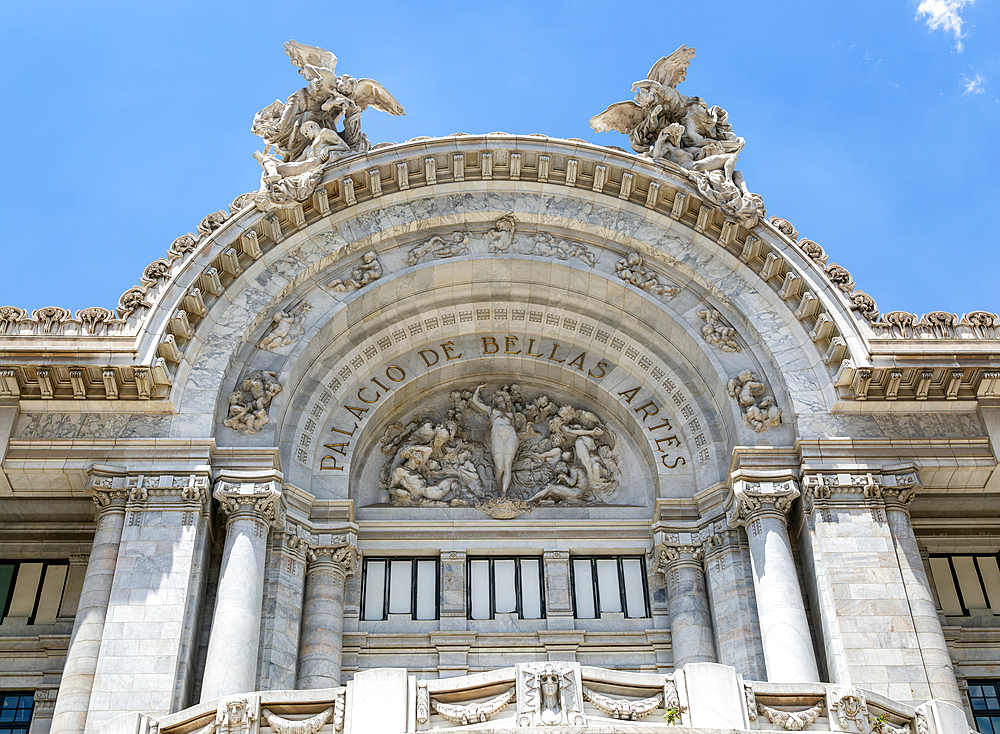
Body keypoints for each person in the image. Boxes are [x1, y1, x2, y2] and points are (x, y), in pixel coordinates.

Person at [469, 384, 519, 496]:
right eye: (495, 396)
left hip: (510, 434)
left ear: (505, 397)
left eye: (499, 395)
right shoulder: (491, 409)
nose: (496, 397)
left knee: (507, 466)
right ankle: (500, 488)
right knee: (499, 467)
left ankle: (504, 493)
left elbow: (517, 426)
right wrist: (477, 389)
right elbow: (475, 402)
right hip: (497, 435)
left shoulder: (512, 412)